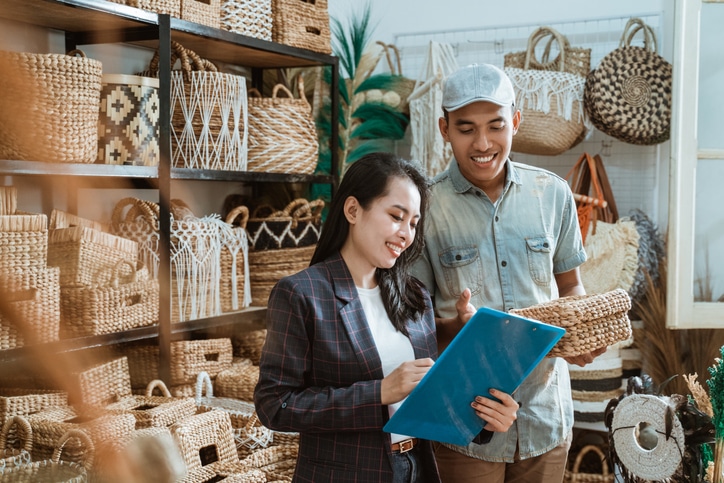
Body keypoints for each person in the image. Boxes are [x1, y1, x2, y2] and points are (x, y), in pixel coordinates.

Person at [254, 152, 519, 483]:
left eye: (413, 223)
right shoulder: (301, 294)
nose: (406, 234)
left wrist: (485, 416)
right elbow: (274, 405)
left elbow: (430, 399)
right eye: (396, 216)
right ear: (353, 210)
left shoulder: (415, 296)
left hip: (416, 469)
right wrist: (378, 392)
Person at [410, 63, 605, 482]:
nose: (483, 143)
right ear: (444, 129)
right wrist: (455, 328)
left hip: (545, 414)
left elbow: (570, 284)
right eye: (466, 129)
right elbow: (412, 320)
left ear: (515, 122)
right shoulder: (422, 207)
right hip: (466, 418)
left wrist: (581, 332)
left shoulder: (552, 194)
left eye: (496, 125)